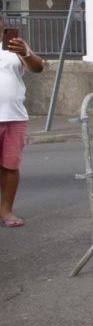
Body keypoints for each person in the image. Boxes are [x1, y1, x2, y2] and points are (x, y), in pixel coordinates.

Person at [1, 15, 45, 227]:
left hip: (14, 116)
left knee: (10, 166)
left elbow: (38, 67)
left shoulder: (14, 47)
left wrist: (25, 52)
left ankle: (6, 211)